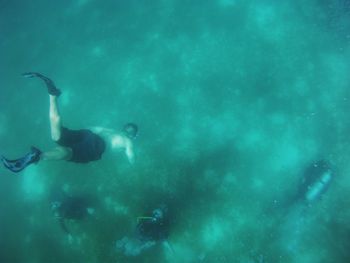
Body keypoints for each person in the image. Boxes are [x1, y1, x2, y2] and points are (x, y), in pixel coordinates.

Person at [1, 72, 137, 173]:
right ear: (132, 135)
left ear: (123, 128)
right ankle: (39, 156)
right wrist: (134, 167)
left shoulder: (111, 130)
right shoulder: (127, 141)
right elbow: (131, 158)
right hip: (98, 145)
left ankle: (52, 96)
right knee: (69, 153)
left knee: (57, 136)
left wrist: (79, 137)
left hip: (87, 134)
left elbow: (92, 128)